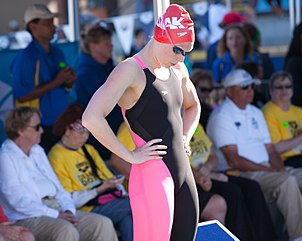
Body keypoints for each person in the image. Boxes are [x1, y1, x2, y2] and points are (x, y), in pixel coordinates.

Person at [82, 4, 200, 241]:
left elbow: (193, 106)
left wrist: (186, 136)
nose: (181, 57)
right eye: (178, 50)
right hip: (152, 176)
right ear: (161, 37)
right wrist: (129, 155)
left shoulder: (178, 69)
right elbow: (91, 118)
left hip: (184, 173)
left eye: (186, 52)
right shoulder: (130, 70)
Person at [206, 68, 302, 241]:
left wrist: (278, 169)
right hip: (242, 173)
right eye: (244, 87)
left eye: (251, 86)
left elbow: (271, 150)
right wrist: (272, 171)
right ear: (229, 91)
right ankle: (300, 236)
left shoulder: (255, 112)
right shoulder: (221, 116)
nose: (250, 91)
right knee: (287, 181)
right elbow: (234, 160)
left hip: (266, 168)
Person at [0, 106, 118, 241]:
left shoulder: (37, 150)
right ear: (21, 130)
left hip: (55, 209)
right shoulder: (5, 157)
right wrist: (55, 214)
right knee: (65, 230)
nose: (42, 130)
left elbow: (58, 187)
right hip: (27, 216)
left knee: (102, 224)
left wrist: (68, 209)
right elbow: (18, 202)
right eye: (37, 127)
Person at [190, 68, 276, 241]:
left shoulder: (194, 122)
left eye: (209, 90)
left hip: (208, 173)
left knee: (251, 187)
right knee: (234, 192)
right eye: (202, 89)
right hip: (195, 178)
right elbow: (176, 162)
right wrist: (203, 175)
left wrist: (207, 168)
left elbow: (212, 153)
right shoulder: (172, 126)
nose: (206, 94)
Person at [48, 104, 133, 241]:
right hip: (87, 207)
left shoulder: (88, 149)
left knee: (128, 219)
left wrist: (115, 185)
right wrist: (100, 189)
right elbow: (69, 198)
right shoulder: (56, 156)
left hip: (108, 200)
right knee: (134, 204)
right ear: (66, 129)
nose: (85, 136)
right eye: (80, 131)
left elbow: (107, 176)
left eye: (87, 131)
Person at [11, 3, 77, 153]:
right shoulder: (26, 57)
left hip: (63, 122)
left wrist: (68, 81)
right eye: (47, 23)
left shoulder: (57, 52)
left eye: (52, 23)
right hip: (40, 127)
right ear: (33, 27)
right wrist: (58, 81)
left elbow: (64, 84)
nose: (53, 27)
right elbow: (22, 96)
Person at [75, 24, 123, 160]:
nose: (111, 46)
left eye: (111, 42)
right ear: (93, 46)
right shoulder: (86, 75)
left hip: (118, 135)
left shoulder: (110, 68)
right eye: (106, 43)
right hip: (102, 142)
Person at [262, 71, 302, 171]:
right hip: (284, 161)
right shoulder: (268, 112)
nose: (284, 90)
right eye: (279, 87)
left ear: (292, 90)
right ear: (271, 91)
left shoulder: (299, 111)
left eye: (288, 86)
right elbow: (276, 149)